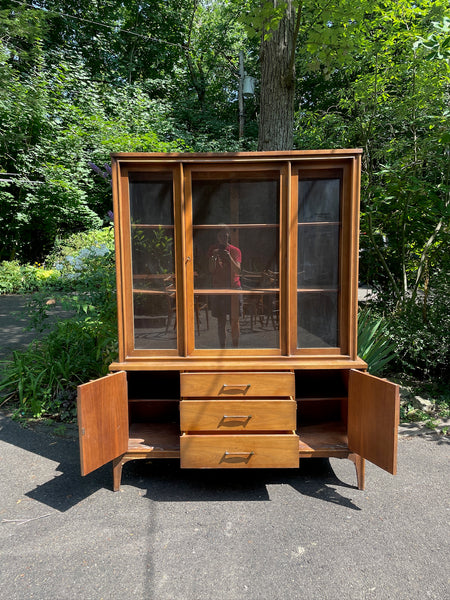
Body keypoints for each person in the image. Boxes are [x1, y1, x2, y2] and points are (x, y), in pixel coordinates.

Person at [208, 227, 241, 348]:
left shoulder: (235, 251)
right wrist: (213, 258)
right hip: (219, 288)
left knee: (235, 321)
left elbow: (238, 270)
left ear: (229, 237)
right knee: (220, 322)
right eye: (221, 236)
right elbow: (211, 270)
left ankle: (235, 349)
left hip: (234, 288)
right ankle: (222, 348)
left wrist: (229, 257)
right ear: (217, 237)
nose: (224, 239)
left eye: (226, 236)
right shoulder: (213, 250)